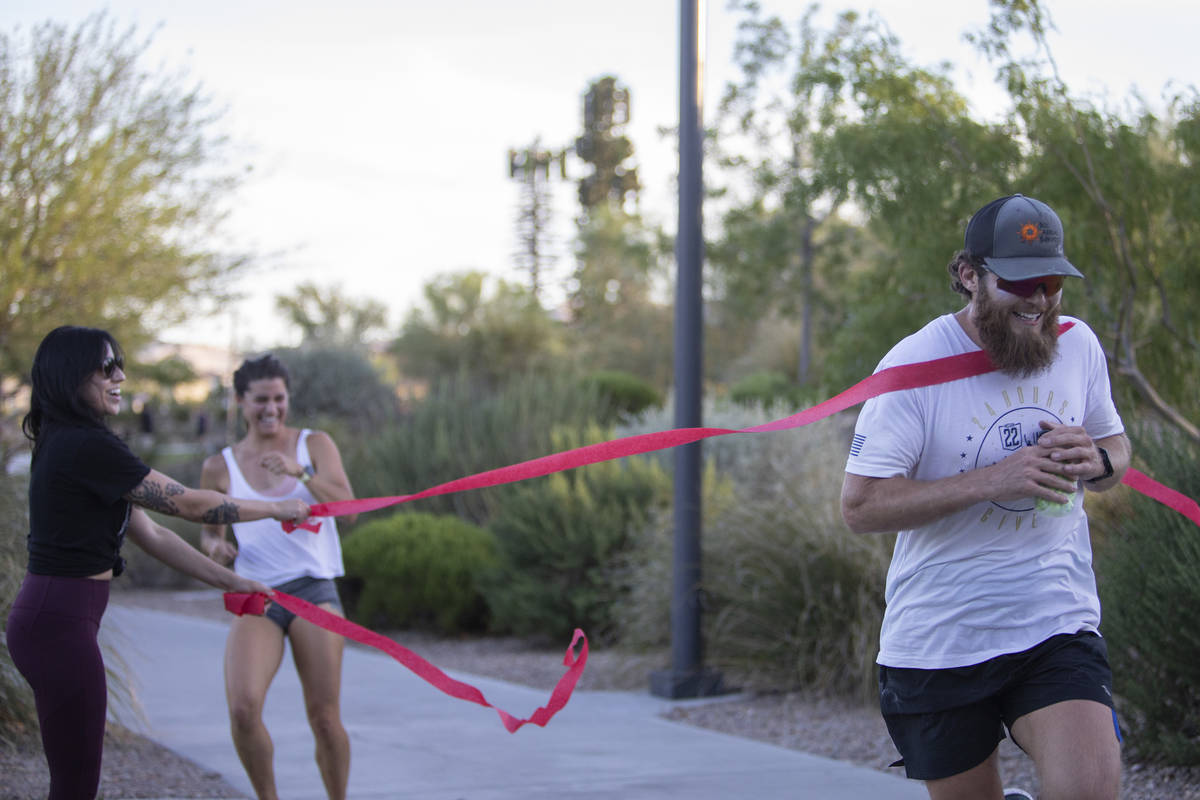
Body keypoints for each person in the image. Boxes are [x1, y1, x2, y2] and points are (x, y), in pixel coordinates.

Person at [841, 194, 1130, 800]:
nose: (1039, 301)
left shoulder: (1077, 344)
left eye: (1051, 282)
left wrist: (1099, 462)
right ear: (970, 276)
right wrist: (995, 480)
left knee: (1092, 790)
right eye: (1019, 282)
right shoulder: (915, 368)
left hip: (1055, 620)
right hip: (942, 637)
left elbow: (1115, 448)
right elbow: (860, 507)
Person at [5, 326, 312, 800]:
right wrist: (275, 507)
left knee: (74, 778)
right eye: (108, 368)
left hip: (55, 618)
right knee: (75, 782)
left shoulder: (75, 443)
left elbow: (154, 534)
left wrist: (234, 579)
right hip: (57, 621)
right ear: (71, 376)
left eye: (119, 365)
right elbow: (187, 505)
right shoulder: (85, 447)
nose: (121, 377)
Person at [200, 354, 357, 800]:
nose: (271, 409)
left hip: (314, 589)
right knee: (243, 709)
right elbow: (208, 532)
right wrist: (215, 547)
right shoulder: (220, 466)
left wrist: (301, 473)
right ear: (240, 402)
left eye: (279, 399)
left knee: (324, 717)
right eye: (260, 400)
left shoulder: (314, 445)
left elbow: (347, 510)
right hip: (257, 593)